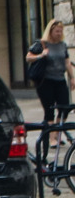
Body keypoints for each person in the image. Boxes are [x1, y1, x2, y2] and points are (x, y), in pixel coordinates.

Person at [26, 19, 75, 151]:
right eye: (56, 31)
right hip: (45, 81)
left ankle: (56, 134)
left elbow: (67, 62)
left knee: (64, 108)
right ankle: (52, 139)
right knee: (49, 111)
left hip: (60, 80)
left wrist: (72, 78)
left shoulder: (62, 45)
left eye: (61, 31)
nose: (59, 33)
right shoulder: (42, 44)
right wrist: (41, 55)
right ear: (50, 31)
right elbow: (28, 57)